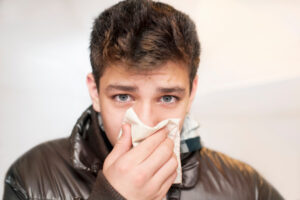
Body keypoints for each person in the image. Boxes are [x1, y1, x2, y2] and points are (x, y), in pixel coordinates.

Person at [3, 0, 283, 199]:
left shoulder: (246, 188)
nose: (147, 122)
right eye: (123, 96)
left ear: (192, 92)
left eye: (168, 98)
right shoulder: (32, 177)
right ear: (94, 92)